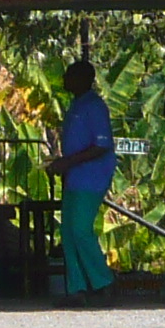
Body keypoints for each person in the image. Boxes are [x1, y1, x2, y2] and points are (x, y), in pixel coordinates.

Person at [57, 58, 115, 302]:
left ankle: (103, 281)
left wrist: (67, 163)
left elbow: (102, 145)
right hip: (75, 176)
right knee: (68, 231)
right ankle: (76, 288)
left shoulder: (94, 106)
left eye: (70, 75)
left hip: (91, 176)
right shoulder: (76, 105)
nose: (65, 80)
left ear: (83, 79)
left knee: (81, 229)